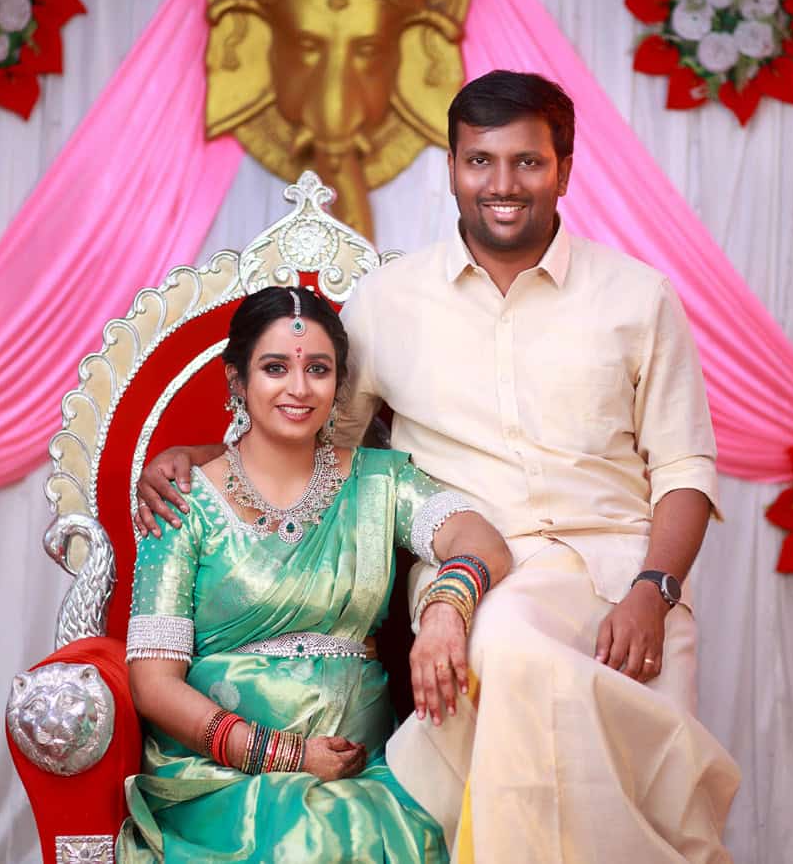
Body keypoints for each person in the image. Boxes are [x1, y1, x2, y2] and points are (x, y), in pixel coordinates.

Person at [138, 71, 741, 862]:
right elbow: (315, 430)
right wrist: (199, 455)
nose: (502, 184)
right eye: (480, 161)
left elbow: (686, 466)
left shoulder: (638, 297)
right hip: (483, 576)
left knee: (654, 782)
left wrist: (654, 592)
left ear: (563, 166)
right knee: (518, 654)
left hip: (627, 574)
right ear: (451, 166)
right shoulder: (389, 302)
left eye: (527, 162)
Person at [119, 285, 513, 863]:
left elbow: (482, 542)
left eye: (319, 370)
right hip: (222, 782)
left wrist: (445, 610)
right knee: (310, 840)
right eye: (275, 367)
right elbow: (152, 685)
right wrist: (286, 755)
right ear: (237, 380)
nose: (299, 389)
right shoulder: (183, 501)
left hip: (366, 773)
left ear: (339, 382)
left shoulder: (381, 483)